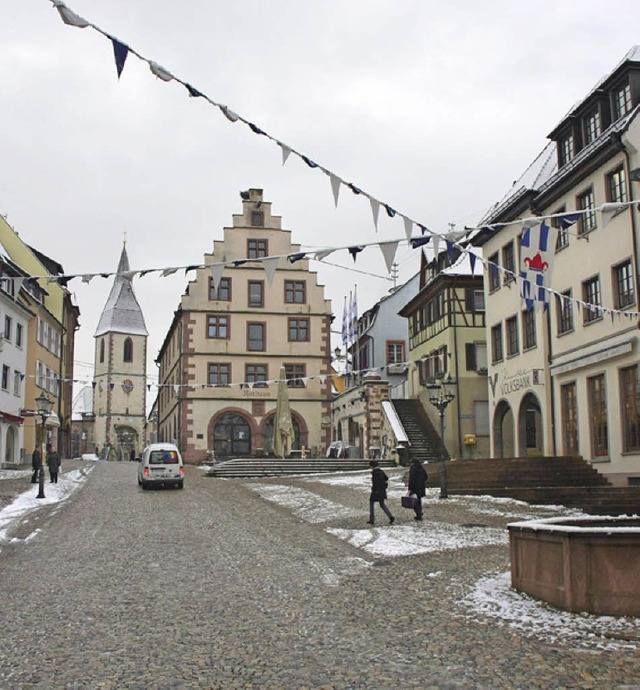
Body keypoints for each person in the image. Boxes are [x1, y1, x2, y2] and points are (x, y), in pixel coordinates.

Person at [367, 460, 394, 526]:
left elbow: (375, 483)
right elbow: (386, 478)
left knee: (371, 502)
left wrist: (374, 489)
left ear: (372, 466)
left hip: (376, 491)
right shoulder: (381, 471)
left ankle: (372, 519)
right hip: (382, 491)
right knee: (382, 504)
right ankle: (390, 516)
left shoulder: (375, 473)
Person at [408, 455, 428, 521]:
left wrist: (410, 488)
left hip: (414, 487)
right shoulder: (421, 468)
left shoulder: (413, 468)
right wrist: (421, 481)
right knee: (418, 501)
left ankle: (419, 514)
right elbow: (426, 477)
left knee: (413, 501)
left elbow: (411, 479)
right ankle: (419, 514)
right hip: (421, 487)